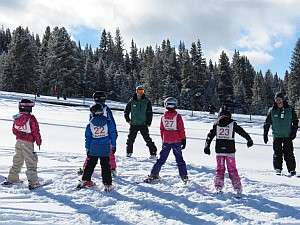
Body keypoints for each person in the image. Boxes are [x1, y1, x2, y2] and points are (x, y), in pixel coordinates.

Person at [204, 106, 253, 194]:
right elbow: (242, 132)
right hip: (230, 151)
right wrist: (249, 139)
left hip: (219, 151)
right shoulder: (232, 124)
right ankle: (237, 187)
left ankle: (218, 186)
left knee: (220, 169)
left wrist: (207, 146)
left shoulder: (216, 124)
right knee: (232, 169)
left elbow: (210, 136)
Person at [144, 97, 188, 183]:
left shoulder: (163, 117)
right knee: (179, 159)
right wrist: (183, 139)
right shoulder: (177, 116)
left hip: (166, 140)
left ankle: (154, 174)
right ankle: (184, 176)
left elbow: (161, 129)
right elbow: (181, 129)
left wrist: (163, 139)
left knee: (161, 159)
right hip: (176, 141)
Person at [2, 99, 42, 190]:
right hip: (28, 142)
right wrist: (38, 141)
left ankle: (12, 178)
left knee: (18, 159)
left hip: (19, 142)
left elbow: (14, 130)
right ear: (29, 108)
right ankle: (33, 182)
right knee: (31, 161)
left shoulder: (17, 117)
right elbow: (36, 131)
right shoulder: (31, 118)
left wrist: (20, 135)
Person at [77, 103, 117, 191]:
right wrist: (113, 145)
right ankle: (107, 184)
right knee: (105, 166)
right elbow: (112, 134)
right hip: (105, 148)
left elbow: (88, 138)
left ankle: (85, 180)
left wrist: (87, 148)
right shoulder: (108, 122)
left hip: (93, 148)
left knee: (90, 165)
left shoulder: (90, 124)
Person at [79, 91, 118, 176]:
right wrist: (114, 135)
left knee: (94, 153)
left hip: (100, 135)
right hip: (104, 135)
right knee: (108, 152)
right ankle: (111, 168)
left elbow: (92, 122)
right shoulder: (102, 108)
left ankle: (110, 168)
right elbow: (111, 123)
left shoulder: (98, 109)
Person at [263, 92, 298, 176]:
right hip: (277, 136)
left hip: (287, 136)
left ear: (283, 100)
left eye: (280, 99)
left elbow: (295, 121)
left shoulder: (290, 109)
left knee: (289, 153)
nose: (278, 101)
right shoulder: (271, 110)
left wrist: (294, 132)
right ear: (275, 101)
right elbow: (267, 123)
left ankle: (292, 170)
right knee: (277, 153)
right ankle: (278, 169)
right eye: (277, 99)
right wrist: (265, 134)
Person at [124, 84, 157, 158]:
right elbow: (126, 111)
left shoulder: (146, 101)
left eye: (142, 91)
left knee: (147, 139)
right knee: (130, 139)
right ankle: (129, 152)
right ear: (136, 91)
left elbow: (149, 113)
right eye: (139, 91)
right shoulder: (132, 101)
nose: (140, 92)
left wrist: (149, 122)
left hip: (143, 124)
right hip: (134, 124)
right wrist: (128, 120)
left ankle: (153, 152)